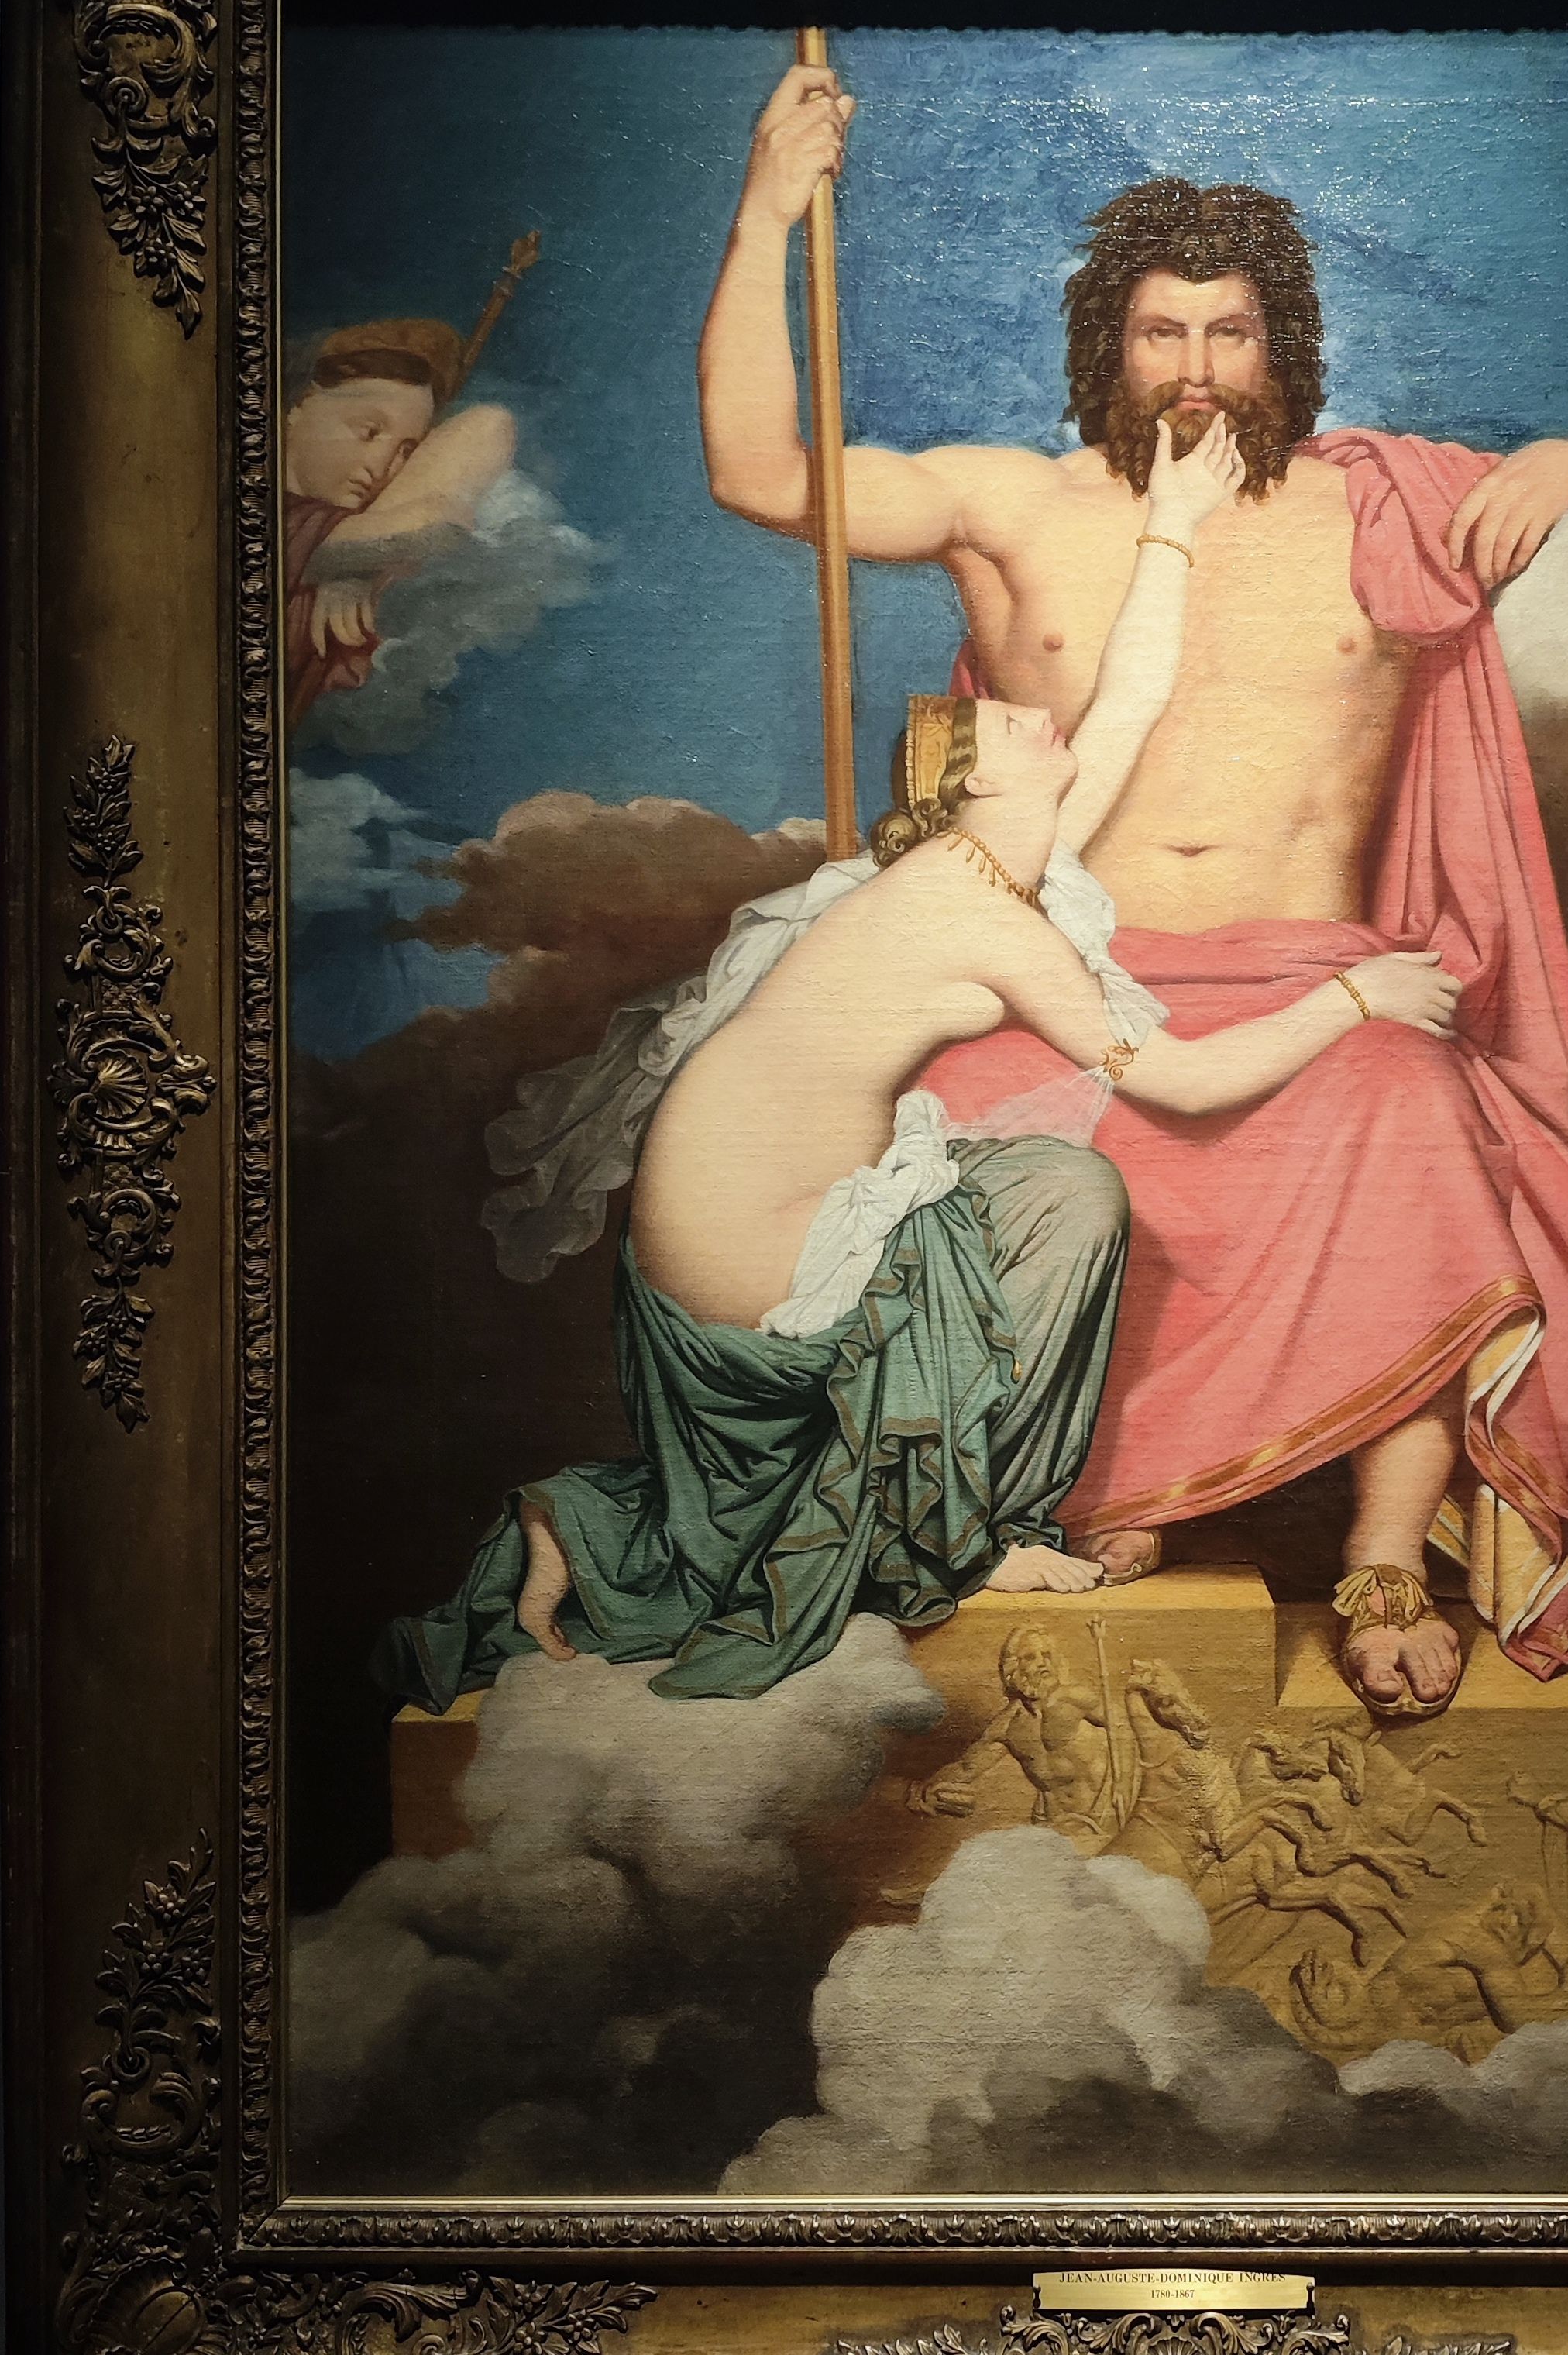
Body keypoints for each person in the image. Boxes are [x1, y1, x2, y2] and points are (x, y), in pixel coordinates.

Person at [691, 61, 1568, 1755]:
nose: (1197, 369)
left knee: (1407, 1102)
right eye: (1160, 332)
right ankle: (1102, 1491)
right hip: (1075, 978)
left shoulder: (1388, 506)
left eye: (1231, 332)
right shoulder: (1010, 506)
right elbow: (757, 472)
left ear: (1286, 346)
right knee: (970, 1125)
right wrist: (768, 206)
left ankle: (1384, 1556)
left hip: (1321, 976)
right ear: (1107, 345)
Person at [389, 405, 1460, 1709]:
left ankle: (594, 1526)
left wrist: (1172, 523)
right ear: (977, 789)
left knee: (1041, 1183)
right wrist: (1352, 994)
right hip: (746, 1248)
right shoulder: (973, 910)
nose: (1031, 716)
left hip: (747, 1217)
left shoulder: (1001, 860)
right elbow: (1181, 1079)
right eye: (1007, 726)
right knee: (1070, 1199)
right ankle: (963, 1533)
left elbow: (1129, 698)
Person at [283, 318, 515, 726]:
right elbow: (437, 520)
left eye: (406, 453)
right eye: (369, 432)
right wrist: (347, 555)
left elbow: (490, 427)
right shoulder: (276, 520)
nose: (381, 467)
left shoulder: (351, 537)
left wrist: (353, 564)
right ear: (300, 407)